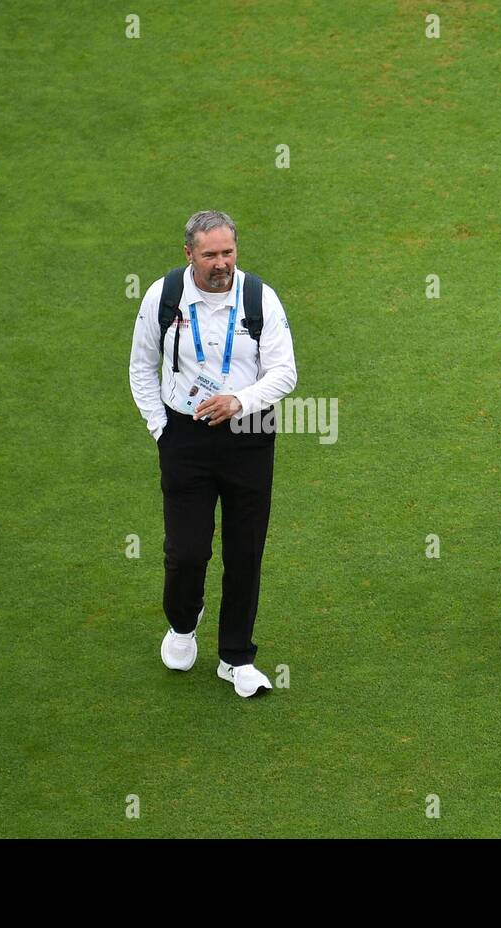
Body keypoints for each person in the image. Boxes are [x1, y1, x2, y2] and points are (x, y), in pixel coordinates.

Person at [129, 210, 297, 698]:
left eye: (228, 252)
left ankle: (236, 656)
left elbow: (285, 373)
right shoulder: (163, 297)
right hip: (185, 437)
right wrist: (161, 429)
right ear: (189, 255)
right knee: (186, 552)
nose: (221, 263)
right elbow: (142, 366)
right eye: (210, 255)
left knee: (245, 551)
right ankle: (183, 623)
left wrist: (238, 402)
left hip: (250, 435)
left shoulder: (258, 298)